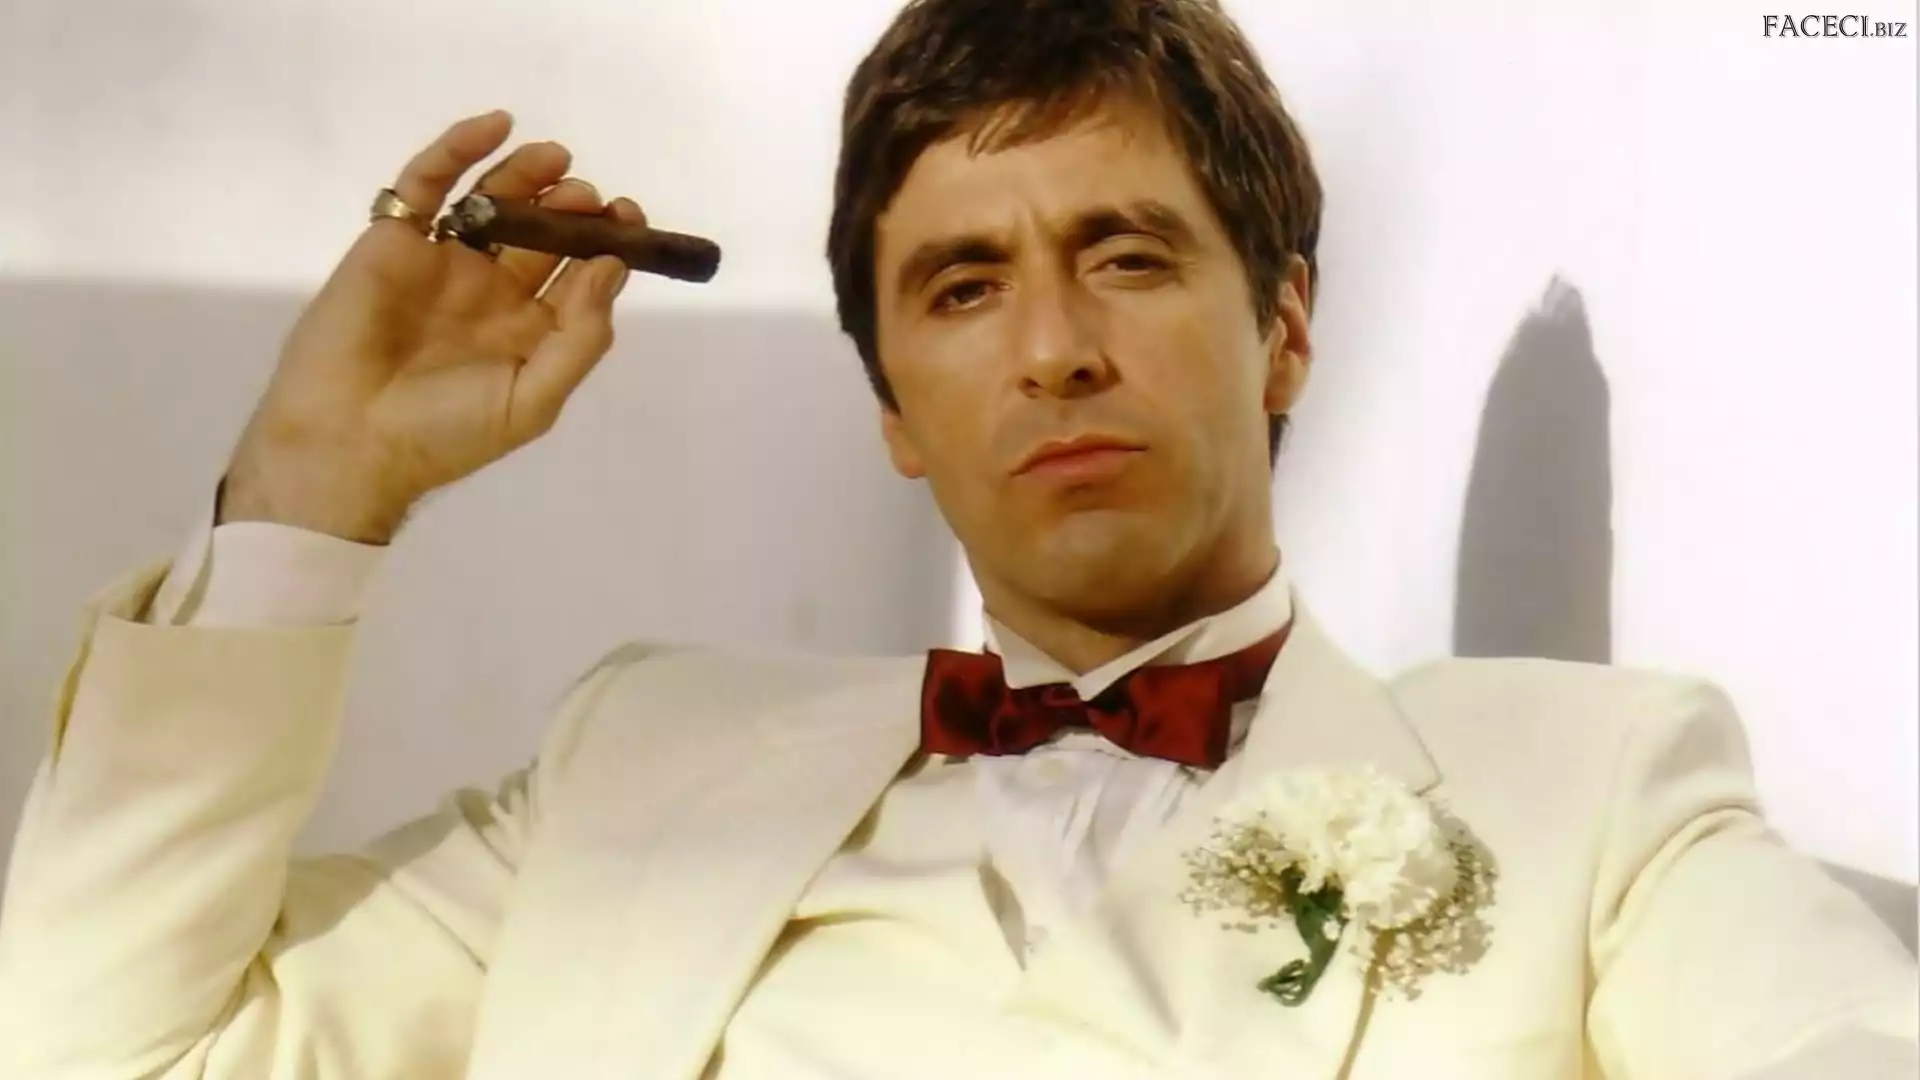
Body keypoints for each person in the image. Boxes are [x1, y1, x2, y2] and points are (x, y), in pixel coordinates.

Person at [1, 0, 1914, 1077]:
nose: (1054, 348)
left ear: (1285, 330)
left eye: (1127, 256)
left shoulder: (1595, 793)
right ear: (895, 414)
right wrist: (317, 482)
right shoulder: (638, 762)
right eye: (965, 286)